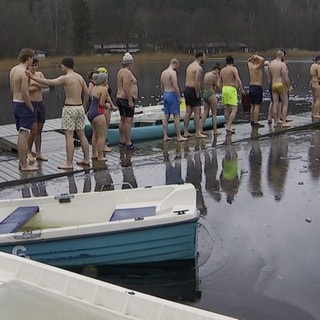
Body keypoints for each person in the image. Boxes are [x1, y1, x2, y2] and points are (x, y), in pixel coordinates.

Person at [26, 56, 90, 169]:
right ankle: (86, 159)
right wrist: (84, 106)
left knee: (69, 136)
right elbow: (87, 93)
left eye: (61, 67)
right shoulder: (79, 77)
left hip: (70, 108)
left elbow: (50, 82)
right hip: (79, 107)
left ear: (65, 66)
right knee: (82, 134)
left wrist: (32, 78)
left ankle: (69, 163)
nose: (61, 69)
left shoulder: (66, 78)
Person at [9, 48, 38, 171]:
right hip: (23, 104)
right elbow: (25, 93)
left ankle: (22, 162)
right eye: (32, 58)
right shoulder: (24, 72)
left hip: (15, 102)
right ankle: (24, 164)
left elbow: (11, 89)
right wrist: (31, 108)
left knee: (21, 133)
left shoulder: (13, 70)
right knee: (24, 134)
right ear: (29, 57)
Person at [27, 57, 49, 162]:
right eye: (32, 65)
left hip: (40, 103)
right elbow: (26, 89)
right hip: (31, 104)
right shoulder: (26, 75)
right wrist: (39, 85)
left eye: (35, 65)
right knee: (33, 129)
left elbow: (46, 84)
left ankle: (38, 152)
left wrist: (35, 84)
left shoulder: (39, 74)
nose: (34, 67)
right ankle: (29, 152)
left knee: (39, 130)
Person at [160, 58, 187, 142]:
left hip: (165, 94)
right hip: (172, 94)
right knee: (176, 116)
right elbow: (175, 85)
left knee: (166, 116)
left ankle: (165, 136)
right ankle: (179, 136)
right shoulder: (173, 73)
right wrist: (179, 97)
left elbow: (161, 85)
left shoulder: (163, 73)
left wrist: (164, 94)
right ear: (175, 64)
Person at [116, 52, 138, 150]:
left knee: (123, 119)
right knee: (128, 121)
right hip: (125, 99)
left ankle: (122, 141)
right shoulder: (127, 72)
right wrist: (130, 100)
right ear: (130, 63)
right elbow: (126, 86)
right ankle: (128, 142)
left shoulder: (120, 71)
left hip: (120, 98)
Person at [87, 72, 110, 162]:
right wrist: (107, 106)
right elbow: (101, 103)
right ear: (104, 81)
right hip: (98, 113)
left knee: (95, 135)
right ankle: (100, 156)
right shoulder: (103, 89)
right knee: (102, 136)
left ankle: (94, 154)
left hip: (90, 113)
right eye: (106, 79)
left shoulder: (94, 88)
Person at [183, 51, 207, 138]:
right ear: (200, 57)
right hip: (193, 89)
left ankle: (185, 131)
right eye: (204, 57)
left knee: (188, 111)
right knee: (197, 111)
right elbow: (197, 81)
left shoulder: (189, 66)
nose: (205, 58)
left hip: (186, 89)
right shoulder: (198, 68)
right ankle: (198, 132)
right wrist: (197, 93)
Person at [220, 55, 245, 134]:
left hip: (224, 88)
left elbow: (219, 82)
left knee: (227, 109)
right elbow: (238, 79)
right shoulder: (233, 69)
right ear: (233, 62)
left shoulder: (222, 70)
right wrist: (242, 89)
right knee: (234, 109)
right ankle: (229, 126)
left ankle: (228, 125)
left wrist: (222, 88)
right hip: (231, 89)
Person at [268, 50, 291, 127]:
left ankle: (275, 122)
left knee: (275, 103)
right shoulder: (282, 64)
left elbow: (269, 77)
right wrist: (289, 86)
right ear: (282, 56)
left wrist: (271, 84)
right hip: (281, 84)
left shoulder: (271, 64)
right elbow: (285, 77)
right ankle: (284, 122)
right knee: (285, 103)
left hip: (273, 84)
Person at [96, 66, 117, 152]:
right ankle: (103, 146)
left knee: (99, 130)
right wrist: (111, 105)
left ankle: (99, 147)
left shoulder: (95, 86)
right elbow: (107, 97)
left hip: (97, 108)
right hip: (104, 107)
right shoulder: (104, 86)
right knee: (105, 127)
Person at [200, 62, 221, 135]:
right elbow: (218, 86)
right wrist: (218, 78)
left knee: (205, 113)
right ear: (217, 70)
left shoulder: (206, 74)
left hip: (205, 94)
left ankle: (200, 129)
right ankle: (215, 131)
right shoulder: (214, 76)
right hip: (211, 94)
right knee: (214, 113)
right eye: (218, 71)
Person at [247, 54, 265, 127]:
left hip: (251, 86)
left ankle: (252, 120)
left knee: (252, 105)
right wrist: (256, 56)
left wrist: (252, 57)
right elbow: (263, 59)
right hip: (257, 87)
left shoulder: (250, 66)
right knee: (257, 105)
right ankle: (256, 121)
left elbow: (248, 60)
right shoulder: (257, 67)